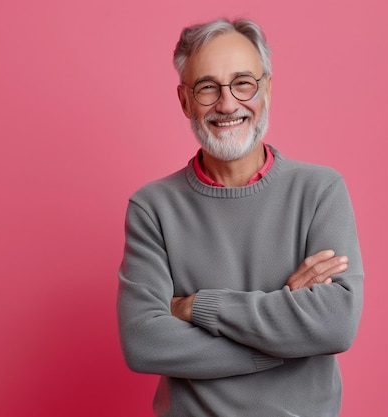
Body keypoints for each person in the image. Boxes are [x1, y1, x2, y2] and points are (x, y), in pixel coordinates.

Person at [117, 17, 363, 417]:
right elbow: (144, 343)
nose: (227, 104)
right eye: (207, 87)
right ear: (184, 100)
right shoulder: (153, 207)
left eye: (243, 82)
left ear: (266, 90)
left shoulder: (320, 190)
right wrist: (283, 338)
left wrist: (197, 307)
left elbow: (336, 324)